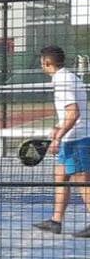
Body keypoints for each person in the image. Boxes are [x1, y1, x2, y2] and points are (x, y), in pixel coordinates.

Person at [33, 46, 90, 236]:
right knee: (60, 176)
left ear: (47, 62)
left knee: (82, 181)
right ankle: (56, 221)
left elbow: (74, 113)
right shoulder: (68, 77)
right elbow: (70, 113)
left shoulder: (62, 80)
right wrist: (58, 127)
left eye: (42, 62)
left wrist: (58, 136)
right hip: (72, 136)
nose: (41, 65)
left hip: (77, 138)